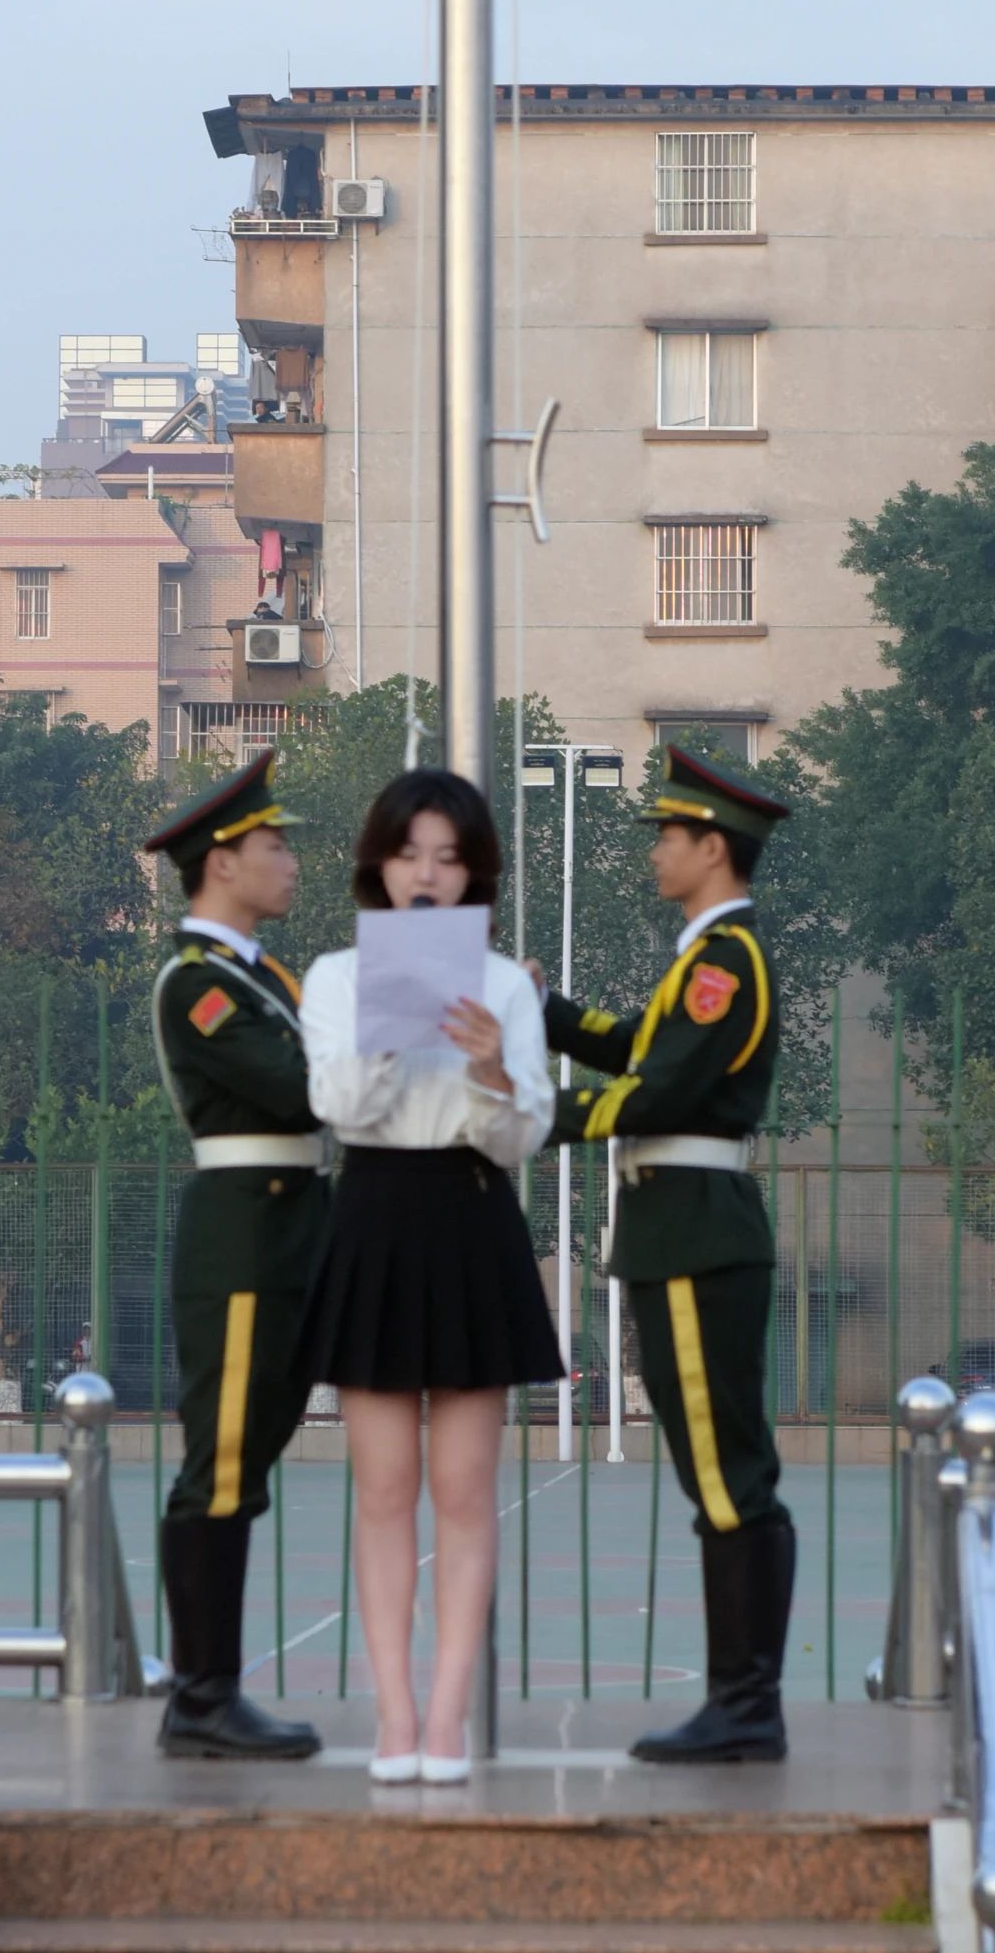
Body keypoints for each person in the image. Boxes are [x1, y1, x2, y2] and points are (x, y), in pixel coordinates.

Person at [534, 745, 796, 1764]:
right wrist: (547, 1010)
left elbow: (663, 1090)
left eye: (668, 835)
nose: (654, 851)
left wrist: (536, 1114)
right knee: (717, 1469)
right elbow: (637, 1042)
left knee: (726, 1474)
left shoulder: (725, 962)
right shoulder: (704, 959)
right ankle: (743, 1700)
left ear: (712, 848)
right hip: (677, 1229)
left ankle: (744, 1704)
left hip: (693, 1233)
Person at [300, 769, 562, 1785]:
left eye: (448, 858)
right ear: (377, 863)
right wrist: (388, 1024)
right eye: (409, 853)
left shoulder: (502, 983)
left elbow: (521, 1135)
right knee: (383, 1488)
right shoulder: (334, 976)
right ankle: (394, 1716)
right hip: (372, 1207)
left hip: (470, 1211)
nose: (426, 874)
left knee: (462, 1487)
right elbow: (339, 1110)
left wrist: (492, 1069)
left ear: (473, 873)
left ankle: (446, 1716)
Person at [144, 751, 329, 1760]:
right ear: (221, 862)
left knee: (247, 1458)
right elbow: (300, 1088)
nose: (290, 861)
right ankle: (201, 1696)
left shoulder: (264, 978)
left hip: (291, 1223)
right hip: (245, 1231)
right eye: (274, 845)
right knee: (220, 1462)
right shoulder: (199, 985)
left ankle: (208, 1691)